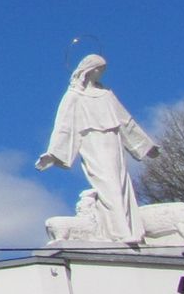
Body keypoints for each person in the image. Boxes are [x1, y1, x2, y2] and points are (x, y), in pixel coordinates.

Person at [37, 54, 158, 242]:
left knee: (121, 183)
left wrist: (146, 146)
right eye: (98, 69)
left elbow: (126, 121)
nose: (100, 73)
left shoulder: (106, 94)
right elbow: (64, 126)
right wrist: (52, 154)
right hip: (92, 142)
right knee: (107, 184)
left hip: (113, 141)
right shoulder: (74, 96)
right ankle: (119, 232)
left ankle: (129, 229)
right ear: (89, 70)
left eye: (102, 70)